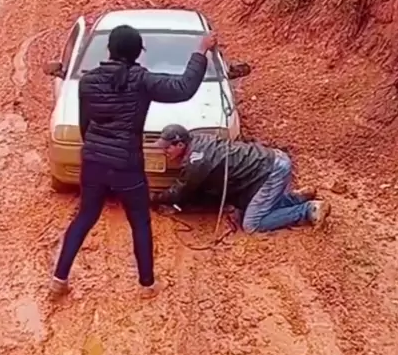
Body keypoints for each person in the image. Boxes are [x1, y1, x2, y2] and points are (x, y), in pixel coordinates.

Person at [51, 26, 218, 298]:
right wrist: (201, 51)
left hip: (93, 162)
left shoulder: (88, 81)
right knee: (139, 222)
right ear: (138, 52)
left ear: (109, 49)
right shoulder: (142, 80)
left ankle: (59, 279)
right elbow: (183, 88)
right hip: (127, 165)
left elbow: (85, 126)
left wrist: (95, 149)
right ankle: (147, 285)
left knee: (84, 217)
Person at [149, 124, 331, 233]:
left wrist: (152, 198)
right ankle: (296, 198)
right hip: (269, 161)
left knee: (252, 225)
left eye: (167, 148)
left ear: (180, 144)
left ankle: (308, 210)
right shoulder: (198, 139)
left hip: (271, 170)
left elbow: (181, 191)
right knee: (251, 206)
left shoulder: (197, 163)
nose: (164, 151)